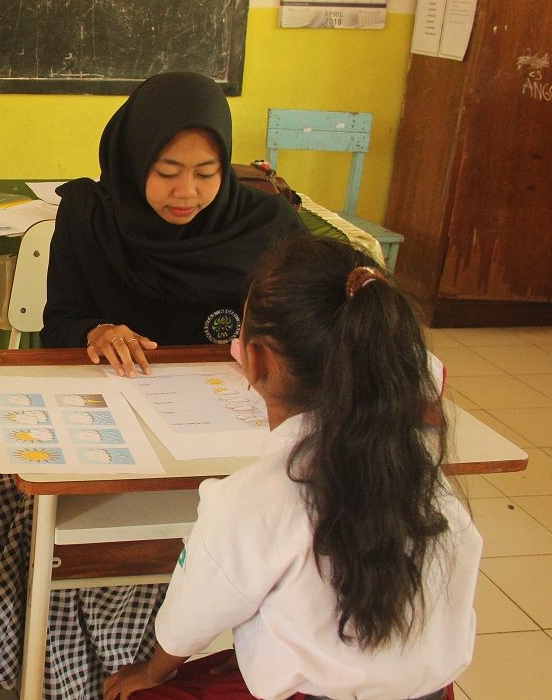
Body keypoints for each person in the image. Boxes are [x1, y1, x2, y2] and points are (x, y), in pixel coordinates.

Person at [0, 72, 305, 698]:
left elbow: (303, 326)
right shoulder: (91, 215)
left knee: (145, 536)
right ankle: (16, 657)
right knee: (2, 489)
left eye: (206, 171)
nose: (187, 191)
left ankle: (93, 669)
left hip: (215, 430)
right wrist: (95, 329)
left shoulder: (266, 227)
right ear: (134, 155)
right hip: (102, 408)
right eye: (167, 169)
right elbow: (58, 321)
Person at [106, 236, 480, 700]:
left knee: (136, 693)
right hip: (435, 693)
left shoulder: (249, 501)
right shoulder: (427, 478)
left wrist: (153, 671)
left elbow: (192, 615)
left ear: (256, 358)